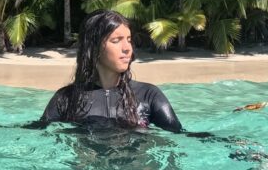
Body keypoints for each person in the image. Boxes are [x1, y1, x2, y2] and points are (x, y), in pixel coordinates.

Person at [39, 10, 183, 132]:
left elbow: (180, 136)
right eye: (116, 41)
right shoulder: (66, 98)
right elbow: (38, 135)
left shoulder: (149, 95)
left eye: (128, 39)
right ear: (94, 48)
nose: (127, 48)